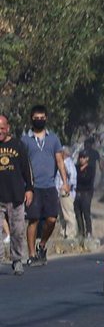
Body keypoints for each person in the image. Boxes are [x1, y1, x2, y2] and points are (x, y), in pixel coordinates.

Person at [23, 105, 69, 266]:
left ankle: (42, 245)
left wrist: (65, 182)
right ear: (31, 119)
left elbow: (60, 161)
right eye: (36, 118)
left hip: (49, 185)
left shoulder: (53, 139)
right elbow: (22, 163)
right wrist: (25, 186)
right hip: (33, 186)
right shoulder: (25, 140)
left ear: (46, 118)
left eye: (42, 118)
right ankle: (31, 254)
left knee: (51, 219)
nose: (39, 120)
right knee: (33, 219)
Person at [0, 114, 33, 275]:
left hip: (16, 196)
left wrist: (29, 189)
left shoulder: (18, 145)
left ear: (8, 128)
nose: (0, 131)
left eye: (2, 128)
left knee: (17, 230)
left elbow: (27, 169)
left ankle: (17, 260)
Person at [74, 137, 101, 239]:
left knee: (86, 212)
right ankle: (81, 232)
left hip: (87, 192)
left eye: (84, 157)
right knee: (78, 212)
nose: (82, 159)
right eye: (80, 157)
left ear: (87, 159)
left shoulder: (90, 168)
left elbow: (86, 179)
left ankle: (89, 232)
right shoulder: (76, 168)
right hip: (78, 192)